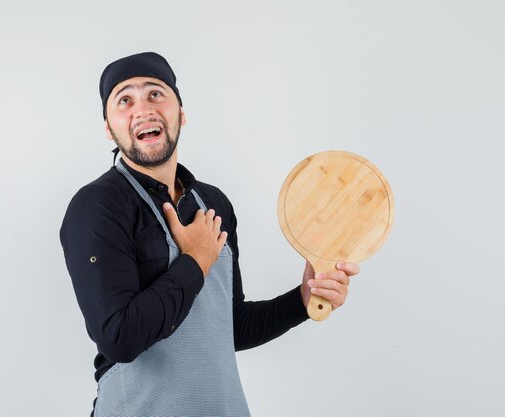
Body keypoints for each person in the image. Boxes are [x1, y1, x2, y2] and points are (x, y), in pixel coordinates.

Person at [60, 52, 359, 417]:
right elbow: (119, 338)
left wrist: (303, 298)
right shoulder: (97, 206)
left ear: (181, 113)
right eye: (124, 99)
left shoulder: (213, 204)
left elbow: (229, 326)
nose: (142, 109)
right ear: (109, 127)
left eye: (156, 94)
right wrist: (196, 260)